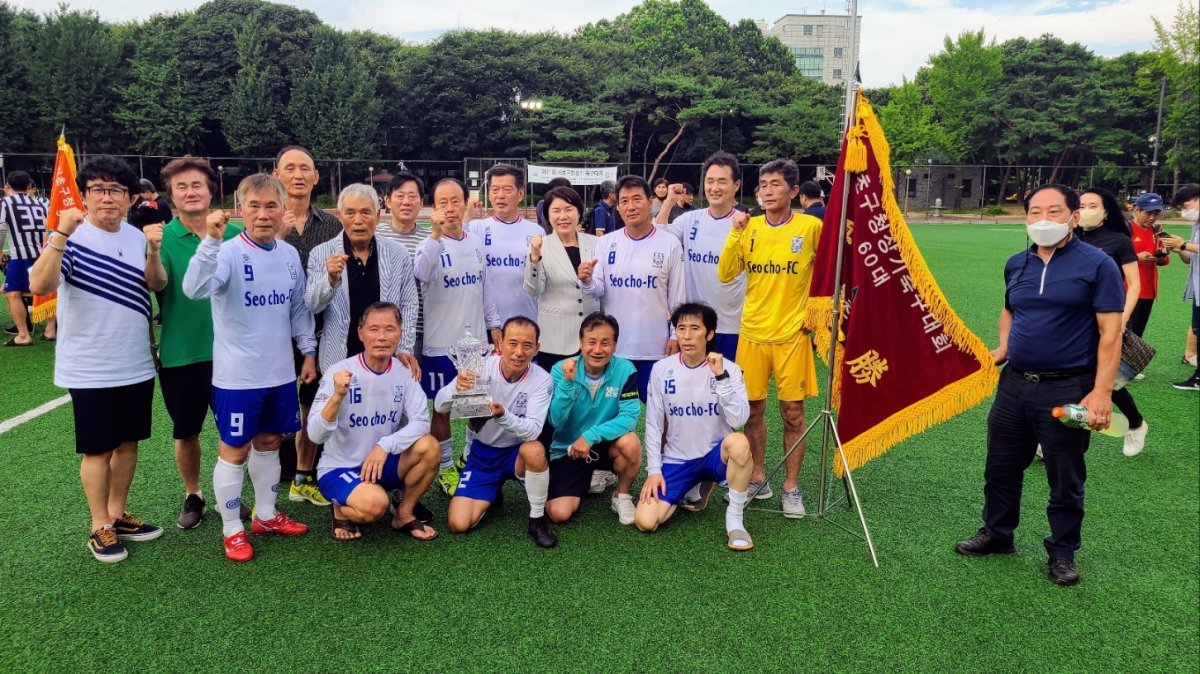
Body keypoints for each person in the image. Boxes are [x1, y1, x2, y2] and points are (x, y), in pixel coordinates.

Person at [955, 184, 1124, 586]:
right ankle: (998, 534)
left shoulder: (1098, 265)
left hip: (1068, 387)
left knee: (1065, 476)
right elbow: (1010, 310)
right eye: (1034, 212)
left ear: (1073, 217)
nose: (1043, 219)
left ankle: (1062, 551)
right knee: (1000, 466)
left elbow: (1111, 334)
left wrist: (1101, 393)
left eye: (1053, 211)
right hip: (1013, 384)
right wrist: (1002, 346)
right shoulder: (1018, 263)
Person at [28, 155, 165, 563]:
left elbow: (156, 285)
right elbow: (39, 284)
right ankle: (98, 524)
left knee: (128, 444)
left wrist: (154, 251)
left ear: (129, 198)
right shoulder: (70, 237)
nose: (108, 198)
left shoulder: (137, 237)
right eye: (98, 190)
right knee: (97, 449)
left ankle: (118, 513)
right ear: (85, 196)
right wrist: (58, 236)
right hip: (89, 367)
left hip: (136, 362)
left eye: (116, 190)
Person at [183, 173, 317, 562]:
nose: (262, 214)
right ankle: (232, 529)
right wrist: (209, 241)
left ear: (282, 210)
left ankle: (267, 515)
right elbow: (194, 289)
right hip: (238, 377)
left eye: (270, 206)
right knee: (235, 449)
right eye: (254, 206)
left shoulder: (289, 255)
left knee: (272, 443)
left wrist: (308, 352)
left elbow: (297, 309)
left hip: (279, 374)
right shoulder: (225, 251)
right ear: (241, 209)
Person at [716, 159, 821, 518]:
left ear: (793, 192)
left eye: (776, 184)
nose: (767, 190)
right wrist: (735, 231)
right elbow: (727, 273)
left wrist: (815, 319)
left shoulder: (810, 227)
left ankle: (792, 487)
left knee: (793, 413)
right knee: (753, 411)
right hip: (753, 334)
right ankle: (758, 476)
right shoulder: (749, 227)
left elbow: (827, 277)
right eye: (763, 184)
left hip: (792, 335)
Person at [156, 156, 245, 528]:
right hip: (183, 353)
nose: (190, 192)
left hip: (233, 352)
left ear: (211, 191)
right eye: (182, 186)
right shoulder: (161, 240)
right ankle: (193, 494)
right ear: (171, 195)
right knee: (187, 431)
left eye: (197, 185)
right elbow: (154, 286)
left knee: (237, 431)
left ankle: (236, 496)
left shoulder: (238, 236)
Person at [308, 302, 441, 541]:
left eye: (389, 329)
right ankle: (340, 507)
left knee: (430, 447)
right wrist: (337, 397)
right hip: (339, 468)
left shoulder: (405, 371)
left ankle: (404, 513)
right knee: (375, 505)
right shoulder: (338, 372)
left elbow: (421, 421)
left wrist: (384, 446)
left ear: (400, 333)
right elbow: (315, 435)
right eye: (373, 329)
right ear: (360, 333)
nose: (382, 337)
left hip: (380, 463)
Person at [635, 303, 754, 551]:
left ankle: (734, 521)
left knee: (739, 443)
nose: (687, 336)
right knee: (646, 522)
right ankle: (692, 485)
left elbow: (739, 420)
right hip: (677, 460)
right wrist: (654, 471)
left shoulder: (729, 369)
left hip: (715, 456)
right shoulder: (661, 370)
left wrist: (720, 377)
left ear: (709, 334)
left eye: (694, 329)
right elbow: (654, 424)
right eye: (681, 328)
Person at [413, 177, 500, 494]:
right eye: (442, 203)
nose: (449, 208)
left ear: (465, 204)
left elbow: (485, 288)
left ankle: (467, 458)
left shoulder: (476, 242)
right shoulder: (428, 243)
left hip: (474, 345)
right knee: (441, 408)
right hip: (439, 345)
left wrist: (495, 326)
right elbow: (421, 274)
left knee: (476, 407)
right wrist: (436, 234)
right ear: (433, 208)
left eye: (455, 201)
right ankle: (445, 467)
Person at [439, 317, 557, 548]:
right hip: (483, 455)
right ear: (500, 343)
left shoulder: (543, 379)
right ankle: (492, 491)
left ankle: (536, 519)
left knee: (534, 450)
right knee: (458, 524)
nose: (519, 352)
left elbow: (532, 431)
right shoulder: (480, 367)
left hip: (517, 455)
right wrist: (456, 386)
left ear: (537, 348)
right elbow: (439, 406)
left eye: (527, 345)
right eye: (513, 343)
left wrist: (503, 415)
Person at [273, 145, 343, 507]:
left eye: (305, 169)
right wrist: (278, 236)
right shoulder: (264, 223)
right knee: (269, 407)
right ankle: (268, 481)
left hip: (320, 332)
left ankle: (307, 473)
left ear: (316, 177)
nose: (298, 175)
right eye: (290, 168)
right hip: (271, 332)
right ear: (277, 175)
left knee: (311, 403)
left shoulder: (333, 225)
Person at [580, 175, 685, 401]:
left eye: (637, 199)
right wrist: (587, 280)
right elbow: (598, 291)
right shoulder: (607, 243)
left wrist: (676, 335)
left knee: (660, 413)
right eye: (624, 201)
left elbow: (678, 298)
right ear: (618, 207)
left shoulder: (669, 244)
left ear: (650, 202)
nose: (631, 206)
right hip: (615, 348)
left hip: (655, 347)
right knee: (612, 415)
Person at [305, 183, 420, 378]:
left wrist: (404, 347)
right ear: (341, 217)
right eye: (350, 213)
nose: (358, 220)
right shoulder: (322, 253)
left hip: (386, 359)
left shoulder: (397, 253)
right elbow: (312, 305)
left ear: (377, 216)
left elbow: (408, 304)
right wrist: (330, 280)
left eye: (366, 213)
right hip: (339, 359)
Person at [543, 313, 641, 525]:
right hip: (568, 449)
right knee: (558, 513)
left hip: (605, 443)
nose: (597, 350)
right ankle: (593, 474)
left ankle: (621, 495)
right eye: (591, 342)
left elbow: (629, 417)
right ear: (580, 343)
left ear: (615, 345)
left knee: (631, 442)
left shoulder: (626, 370)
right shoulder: (561, 370)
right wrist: (568, 383)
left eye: (605, 343)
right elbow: (556, 420)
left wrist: (590, 436)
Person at [656, 151, 747, 361]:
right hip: (694, 326)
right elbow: (658, 236)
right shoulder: (690, 219)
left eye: (722, 181)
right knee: (695, 387)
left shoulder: (745, 224)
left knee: (726, 385)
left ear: (736, 185)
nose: (715, 188)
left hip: (732, 325)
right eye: (710, 181)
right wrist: (668, 202)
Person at [1077, 187, 1148, 457]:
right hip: (1074, 320)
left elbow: (1134, 284)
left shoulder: (1118, 241)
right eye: (1081, 205)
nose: (1085, 211)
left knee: (1107, 381)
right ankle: (1054, 437)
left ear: (1106, 212)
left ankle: (1136, 424)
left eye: (1092, 206)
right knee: (1073, 377)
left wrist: (1121, 320)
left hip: (1107, 318)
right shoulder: (1069, 238)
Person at [523, 185, 600, 372]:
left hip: (592, 340)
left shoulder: (596, 244)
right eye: (556, 211)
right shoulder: (541, 246)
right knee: (558, 395)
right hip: (555, 339)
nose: (563, 216)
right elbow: (534, 289)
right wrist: (535, 258)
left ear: (579, 213)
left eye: (569, 209)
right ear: (548, 216)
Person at [467, 163, 544, 327]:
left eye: (507, 190)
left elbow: (541, 282)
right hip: (484, 326)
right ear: (488, 194)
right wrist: (466, 216)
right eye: (495, 190)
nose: (500, 195)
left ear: (521, 194)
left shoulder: (536, 233)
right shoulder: (475, 229)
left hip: (525, 324)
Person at [378, 172, 432, 354]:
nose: (406, 202)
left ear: (421, 203)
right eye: (400, 196)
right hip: (380, 332)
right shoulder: (375, 236)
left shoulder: (431, 240)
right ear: (388, 201)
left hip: (419, 330)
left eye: (412, 196)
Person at [1, 170, 54, 346]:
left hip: (20, 255)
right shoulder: (40, 204)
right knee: (45, 290)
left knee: (13, 293)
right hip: (42, 253)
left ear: (8, 186)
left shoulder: (6, 203)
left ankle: (23, 335)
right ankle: (50, 329)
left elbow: (1, 227)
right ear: (29, 186)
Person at [1160, 183, 1200, 390]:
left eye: (1187, 205)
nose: (1186, 211)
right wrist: (1179, 249)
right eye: (1181, 208)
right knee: (1197, 328)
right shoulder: (1196, 226)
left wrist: (1183, 244)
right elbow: (1189, 259)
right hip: (1197, 286)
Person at [1127, 193, 1169, 338]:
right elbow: (1110, 258)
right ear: (1137, 209)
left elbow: (1165, 260)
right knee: (1121, 332)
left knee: (1136, 335)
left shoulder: (1157, 231)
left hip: (1148, 292)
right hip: (1126, 290)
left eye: (1156, 213)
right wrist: (1136, 257)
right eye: (1148, 213)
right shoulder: (1125, 230)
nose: (1152, 218)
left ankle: (1128, 362)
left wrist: (1161, 257)